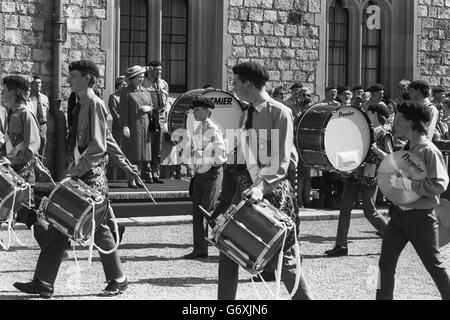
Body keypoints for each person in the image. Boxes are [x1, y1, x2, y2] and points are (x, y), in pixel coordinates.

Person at [13, 60, 128, 298]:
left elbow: (98, 146)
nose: (68, 80)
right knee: (58, 224)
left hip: (91, 177)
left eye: (73, 76)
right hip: (79, 173)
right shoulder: (79, 105)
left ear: (88, 78)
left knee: (99, 227)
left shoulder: (95, 104)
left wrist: (73, 172)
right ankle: (43, 281)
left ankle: (119, 278)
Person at [212, 61, 313, 300]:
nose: (233, 87)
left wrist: (261, 187)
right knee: (227, 248)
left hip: (273, 191)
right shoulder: (246, 113)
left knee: (283, 257)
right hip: (246, 188)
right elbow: (243, 156)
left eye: (236, 83)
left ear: (248, 84)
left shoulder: (280, 112)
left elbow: (280, 160)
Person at [376, 101, 450, 300]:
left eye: (399, 118)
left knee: (434, 266)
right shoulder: (408, 147)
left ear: (410, 121)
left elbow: (440, 184)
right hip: (399, 215)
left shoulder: (428, 150)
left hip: (420, 218)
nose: (395, 122)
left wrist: (410, 185)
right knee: (385, 264)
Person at [325, 103, 392, 256]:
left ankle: (392, 238)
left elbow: (389, 157)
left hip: (369, 175)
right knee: (344, 209)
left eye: (369, 111)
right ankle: (341, 245)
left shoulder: (384, 133)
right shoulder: (362, 130)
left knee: (370, 211)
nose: (366, 113)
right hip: (353, 173)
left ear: (375, 113)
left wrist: (375, 149)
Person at [0, 75, 48, 248]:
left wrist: (10, 161)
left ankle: (53, 247)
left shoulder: (26, 114)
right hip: (11, 171)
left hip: (22, 174)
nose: (1, 93)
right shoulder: (11, 113)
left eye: (4, 90)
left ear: (14, 92)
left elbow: (31, 147)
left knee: (29, 214)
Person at [183, 97, 226, 259]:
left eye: (198, 109)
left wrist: (204, 158)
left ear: (208, 111)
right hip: (201, 173)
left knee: (208, 212)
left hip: (211, 173)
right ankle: (200, 249)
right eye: (194, 110)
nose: (194, 112)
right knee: (198, 212)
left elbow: (220, 153)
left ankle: (228, 243)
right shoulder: (199, 128)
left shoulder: (212, 129)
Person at [120, 65, 153, 188]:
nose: (141, 79)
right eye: (138, 77)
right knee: (132, 155)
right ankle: (131, 179)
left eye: (142, 76)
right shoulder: (126, 92)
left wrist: (149, 108)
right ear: (132, 78)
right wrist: (125, 126)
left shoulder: (145, 91)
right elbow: (123, 111)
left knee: (141, 156)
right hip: (133, 127)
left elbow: (152, 106)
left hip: (145, 128)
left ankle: (138, 177)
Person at [142, 60, 168, 184]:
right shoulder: (143, 83)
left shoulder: (163, 84)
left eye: (160, 70)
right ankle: (147, 173)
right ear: (150, 70)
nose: (159, 72)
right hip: (148, 117)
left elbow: (166, 101)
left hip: (160, 118)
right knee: (148, 146)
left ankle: (155, 172)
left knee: (158, 148)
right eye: (156, 70)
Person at [107, 76, 127, 180]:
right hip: (118, 129)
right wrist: (124, 124)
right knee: (117, 151)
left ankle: (126, 176)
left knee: (127, 152)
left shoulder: (128, 96)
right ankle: (114, 177)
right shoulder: (113, 97)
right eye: (123, 84)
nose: (125, 86)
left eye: (126, 84)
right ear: (118, 86)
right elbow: (114, 113)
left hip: (128, 130)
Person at [29, 76, 49, 159]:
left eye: (39, 83)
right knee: (32, 148)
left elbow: (47, 111)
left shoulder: (45, 98)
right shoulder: (28, 98)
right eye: (36, 83)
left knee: (42, 147)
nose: (38, 85)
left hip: (42, 126)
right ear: (31, 84)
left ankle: (40, 169)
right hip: (32, 125)